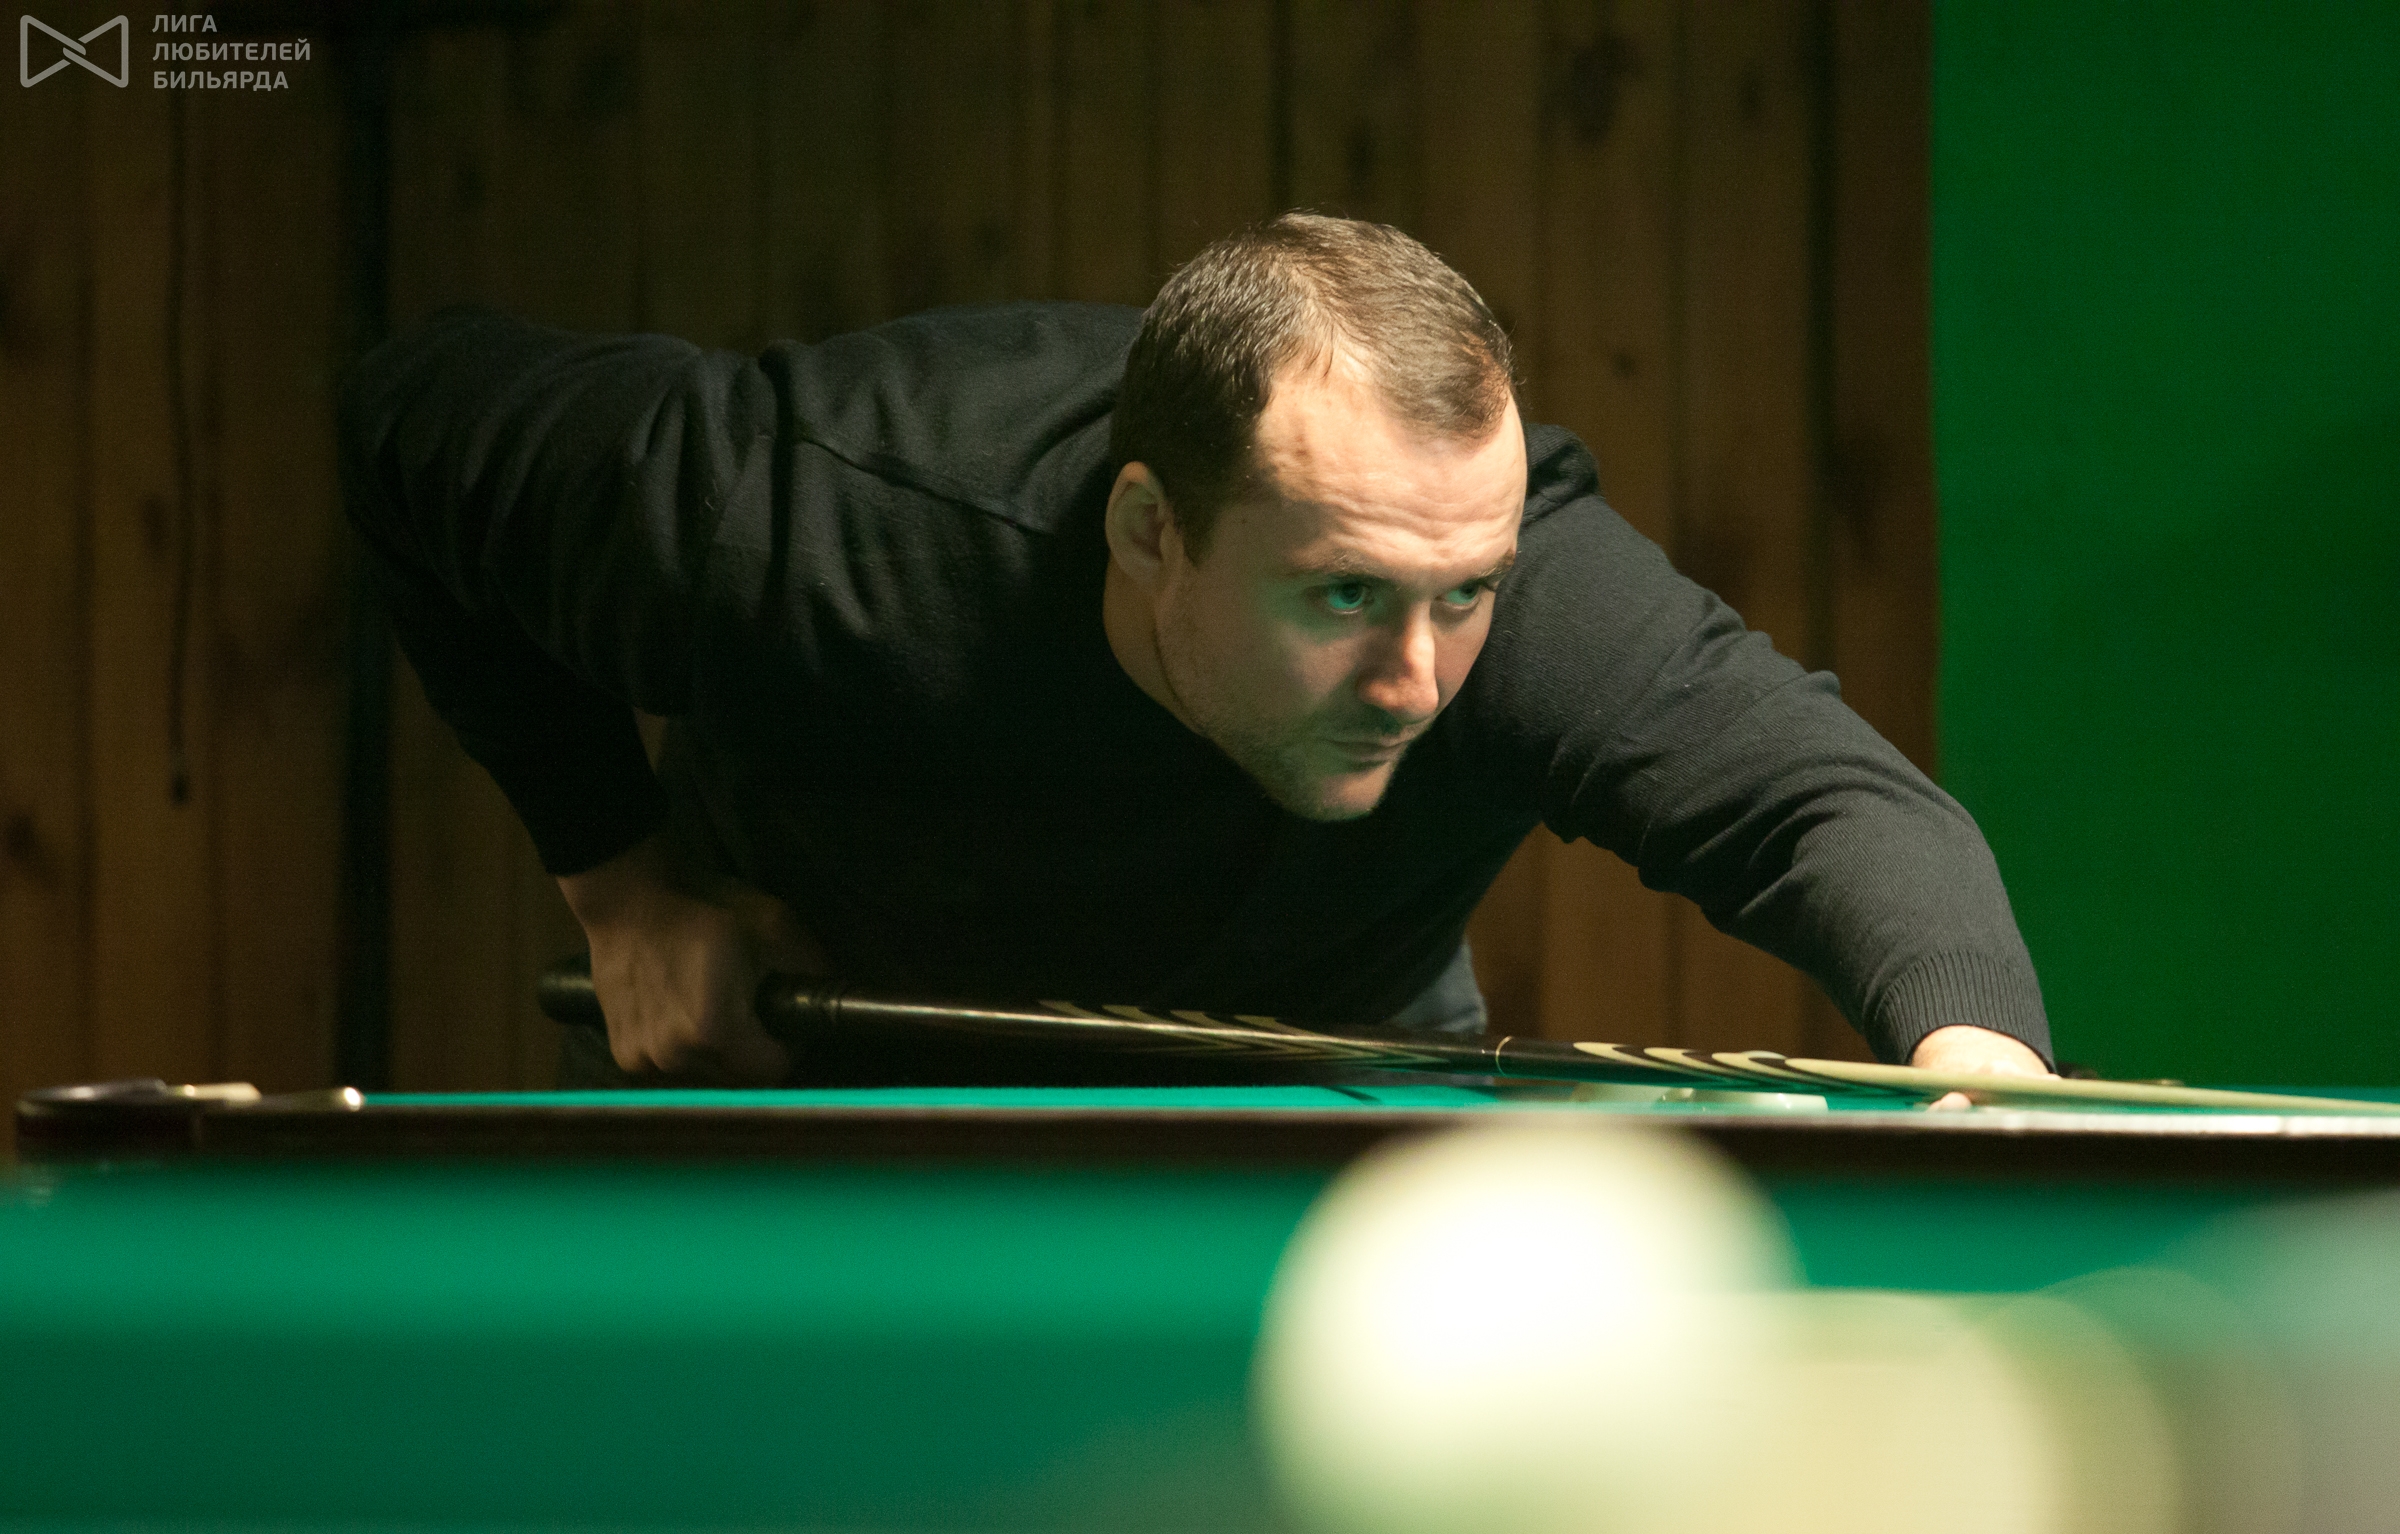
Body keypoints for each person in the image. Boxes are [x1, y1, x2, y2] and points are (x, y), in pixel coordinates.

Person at [338, 212, 2052, 1090]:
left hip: (1315, 1064)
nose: (1420, 678)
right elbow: (405, 422)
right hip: (803, 1058)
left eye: (1464, 594)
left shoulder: (1513, 590)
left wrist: (1978, 1065)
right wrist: (620, 884)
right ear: (1152, 531)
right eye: (1342, 599)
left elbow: (1834, 808)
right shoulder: (805, 519)